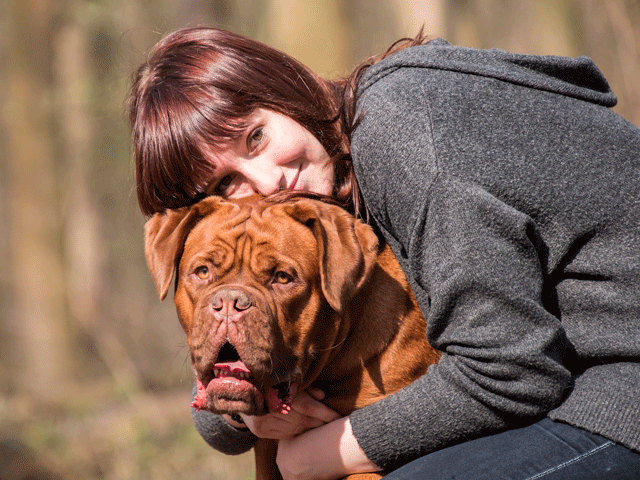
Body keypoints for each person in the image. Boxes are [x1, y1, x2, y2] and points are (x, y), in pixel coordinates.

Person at [128, 27, 640, 479]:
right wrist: (244, 399)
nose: (269, 183)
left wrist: (328, 453)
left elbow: (515, 372)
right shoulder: (332, 194)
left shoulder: (408, 136)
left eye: (255, 137)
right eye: (226, 182)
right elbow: (219, 428)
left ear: (280, 86)